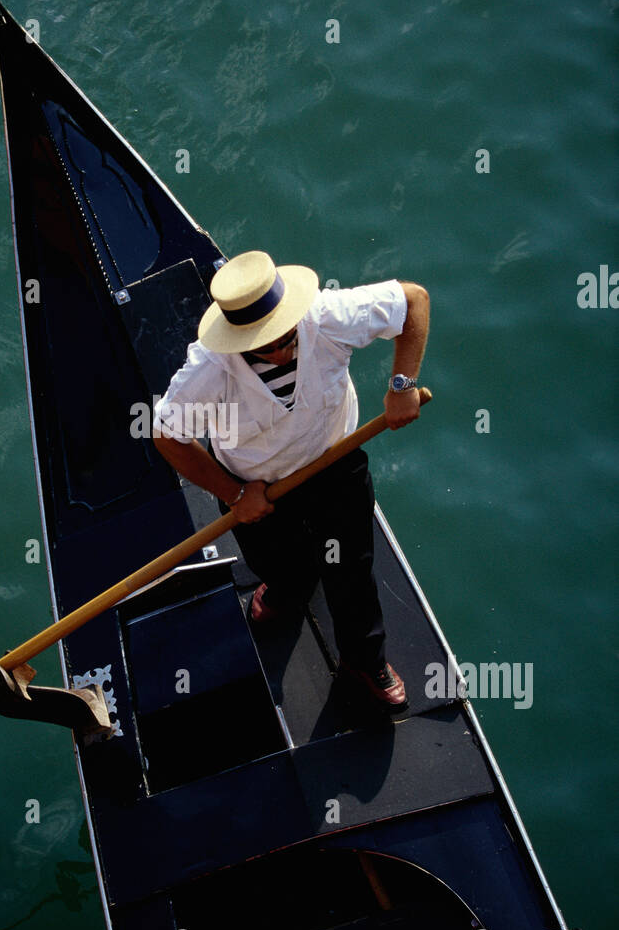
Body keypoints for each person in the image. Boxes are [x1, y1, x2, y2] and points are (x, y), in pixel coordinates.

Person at [151, 251, 429, 711]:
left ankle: (364, 660)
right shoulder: (207, 373)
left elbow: (413, 300)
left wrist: (401, 386)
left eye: (287, 337)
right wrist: (235, 495)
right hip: (258, 489)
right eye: (266, 345)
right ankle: (285, 587)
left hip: (334, 465)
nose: (281, 352)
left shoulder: (327, 316)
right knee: (277, 562)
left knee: (352, 572)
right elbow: (167, 435)